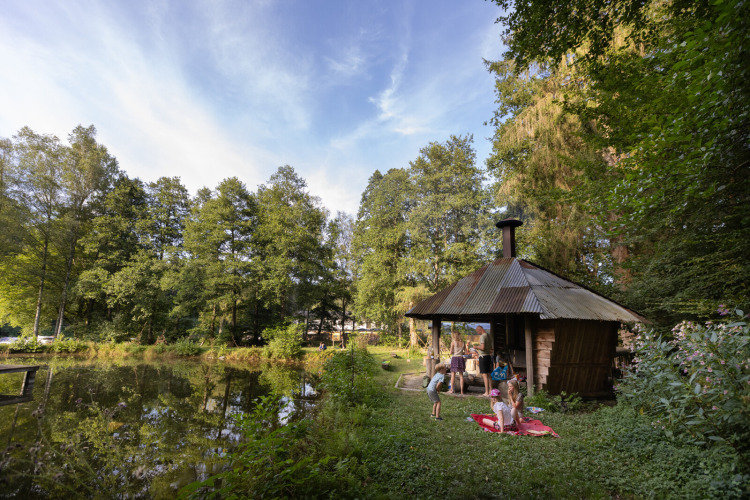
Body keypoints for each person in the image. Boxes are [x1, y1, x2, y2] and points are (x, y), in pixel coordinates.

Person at [476, 325, 493, 397]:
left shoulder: (482, 336)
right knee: (489, 375)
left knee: (484, 375)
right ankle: (491, 391)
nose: (477, 333)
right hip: (488, 356)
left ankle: (486, 392)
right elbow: (491, 349)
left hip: (483, 357)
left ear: (480, 329)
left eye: (477, 331)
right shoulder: (488, 336)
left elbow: (482, 347)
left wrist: (476, 347)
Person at [447, 330, 466, 395]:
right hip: (461, 358)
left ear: (454, 336)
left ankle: (452, 390)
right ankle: (462, 391)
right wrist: (461, 352)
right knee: (461, 375)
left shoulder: (453, 342)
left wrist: (454, 351)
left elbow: (450, 352)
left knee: (453, 375)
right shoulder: (463, 343)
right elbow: (465, 352)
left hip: (455, 358)